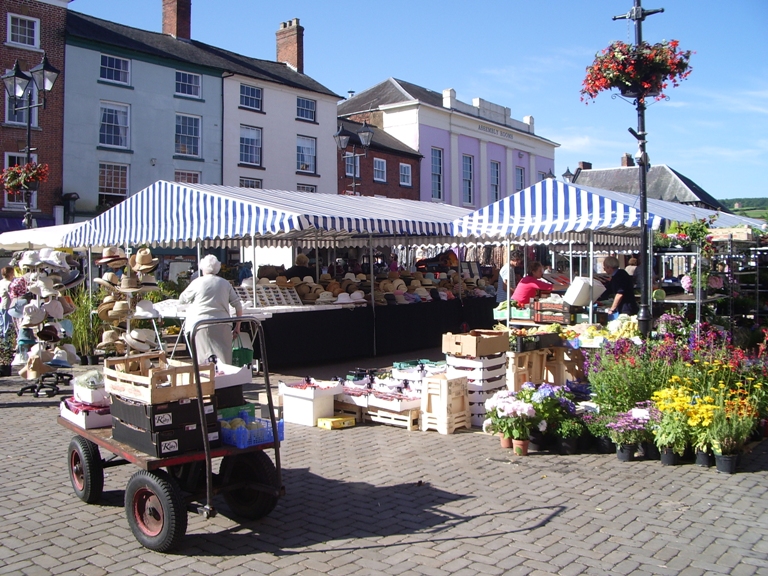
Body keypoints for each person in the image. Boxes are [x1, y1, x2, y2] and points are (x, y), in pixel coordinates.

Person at [179, 254, 242, 365]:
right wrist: (237, 326)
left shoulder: (197, 282)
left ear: (202, 267)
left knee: (204, 361)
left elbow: (182, 299)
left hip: (202, 324)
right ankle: (226, 382)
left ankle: (206, 382)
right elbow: (238, 305)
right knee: (225, 360)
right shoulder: (225, 283)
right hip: (223, 323)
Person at [0, 266, 15, 338]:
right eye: (12, 273)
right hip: (7, 306)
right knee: (7, 326)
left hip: (2, 305)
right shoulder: (9, 284)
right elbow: (12, 295)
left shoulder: (1, 282)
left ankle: (2, 343)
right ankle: (7, 344)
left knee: (2, 325)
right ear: (9, 274)